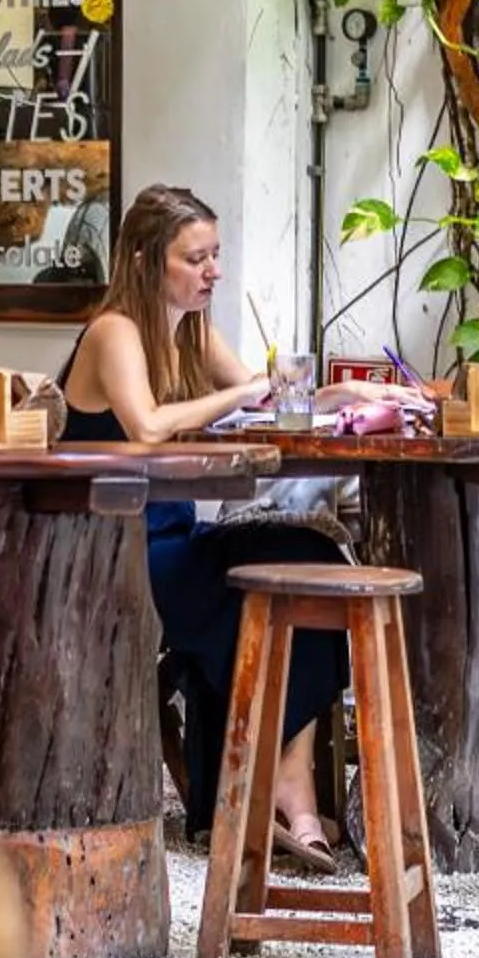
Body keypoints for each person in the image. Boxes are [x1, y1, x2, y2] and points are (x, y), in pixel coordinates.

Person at [61, 184, 428, 869]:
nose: (213, 271)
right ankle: (285, 797)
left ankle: (291, 793)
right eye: (196, 257)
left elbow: (270, 405)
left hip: (172, 535)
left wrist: (341, 396)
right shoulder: (115, 330)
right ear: (146, 261)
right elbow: (145, 426)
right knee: (289, 566)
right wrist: (244, 391)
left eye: (216, 255)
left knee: (312, 555)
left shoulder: (190, 330)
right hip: (116, 552)